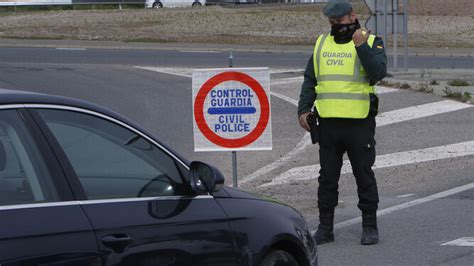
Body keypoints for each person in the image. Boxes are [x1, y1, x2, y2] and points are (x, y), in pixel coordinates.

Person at [297, 0, 387, 245]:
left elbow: (378, 72)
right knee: (327, 178)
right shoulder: (322, 43)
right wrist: (303, 109)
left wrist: (360, 46)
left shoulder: (371, 41)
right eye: (332, 22)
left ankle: (369, 225)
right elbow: (310, 78)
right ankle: (325, 227)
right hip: (328, 124)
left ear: (352, 16)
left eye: (340, 21)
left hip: (358, 123)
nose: (336, 26)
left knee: (363, 175)